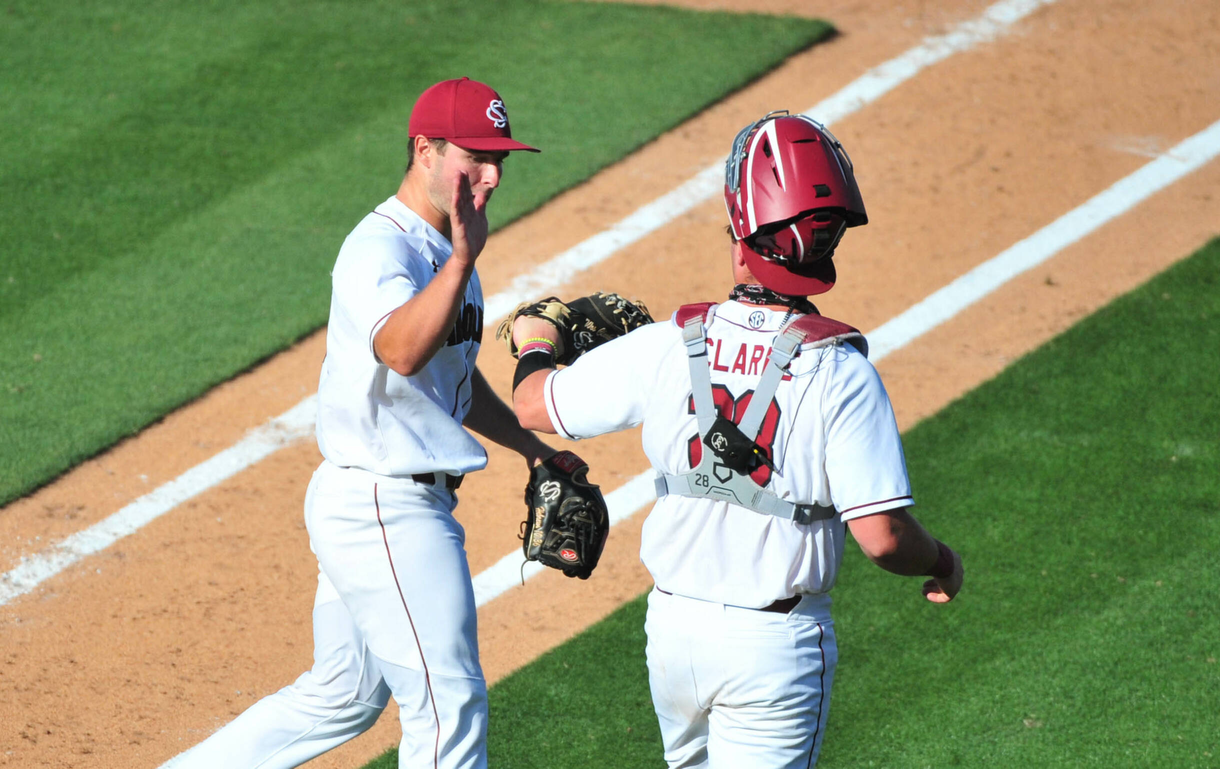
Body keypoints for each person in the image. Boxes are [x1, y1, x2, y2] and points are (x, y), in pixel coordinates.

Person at [506, 111, 964, 768]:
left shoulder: (670, 341)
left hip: (672, 637)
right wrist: (942, 560)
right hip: (772, 650)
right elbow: (882, 537)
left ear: (742, 231)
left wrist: (535, 337)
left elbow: (532, 402)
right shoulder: (840, 370)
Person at [170, 77, 555, 769]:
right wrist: (466, 257)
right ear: (426, 150)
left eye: (502, 159)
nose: (493, 176)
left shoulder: (449, 250)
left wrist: (531, 447)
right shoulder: (385, 249)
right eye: (477, 157)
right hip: (383, 503)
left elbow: (453, 383)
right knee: (449, 701)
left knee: (344, 695)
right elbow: (403, 351)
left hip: (389, 498)